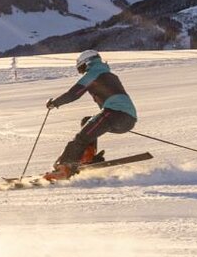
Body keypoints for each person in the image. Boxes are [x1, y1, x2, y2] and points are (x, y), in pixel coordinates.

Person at [42, 49, 138, 180]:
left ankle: (64, 168)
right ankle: (88, 157)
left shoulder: (93, 73)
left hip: (114, 114)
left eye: (81, 68)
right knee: (87, 121)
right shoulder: (110, 74)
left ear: (86, 63)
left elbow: (73, 94)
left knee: (81, 138)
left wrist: (54, 103)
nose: (81, 72)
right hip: (127, 119)